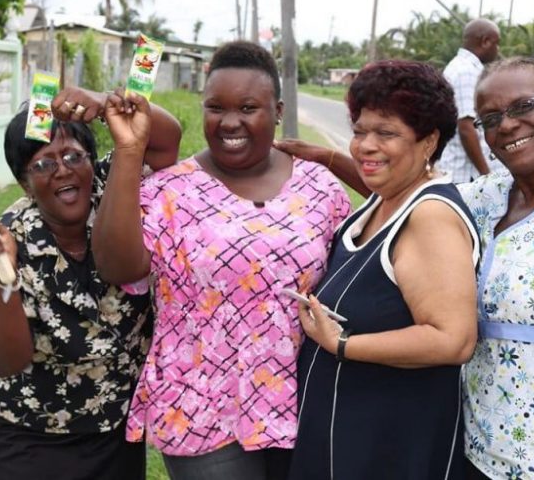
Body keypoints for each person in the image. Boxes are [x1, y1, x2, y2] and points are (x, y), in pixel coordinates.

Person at [278, 57, 534, 479]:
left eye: (522, 107)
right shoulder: (491, 194)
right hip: (479, 439)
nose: (507, 125)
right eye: (490, 118)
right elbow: (410, 192)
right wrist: (329, 158)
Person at [91, 41, 351, 480]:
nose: (230, 122)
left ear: (278, 110)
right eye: (216, 107)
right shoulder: (170, 192)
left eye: (248, 107)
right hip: (200, 410)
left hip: (302, 399)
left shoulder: (319, 189)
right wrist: (130, 151)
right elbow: (118, 268)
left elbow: (352, 274)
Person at [0, 87, 181, 480]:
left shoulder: (116, 190)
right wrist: (4, 273)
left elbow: (166, 142)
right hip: (28, 429)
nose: (62, 170)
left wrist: (103, 102)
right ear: (25, 185)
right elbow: (3, 360)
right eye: (43, 164)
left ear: (91, 162)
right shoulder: (11, 238)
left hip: (113, 420)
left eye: (72, 156)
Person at [282, 60, 480, 480]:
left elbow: (453, 339)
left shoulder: (430, 216)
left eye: (386, 133)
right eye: (359, 131)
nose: (365, 146)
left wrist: (342, 344)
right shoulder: (382, 200)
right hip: (345, 434)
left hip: (388, 445)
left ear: (428, 141)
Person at [438, 18, 506, 183]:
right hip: (466, 175)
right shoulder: (466, 71)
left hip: (467, 172)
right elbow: (466, 128)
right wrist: (486, 176)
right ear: (485, 41)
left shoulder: (463, 67)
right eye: (496, 44)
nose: (498, 50)